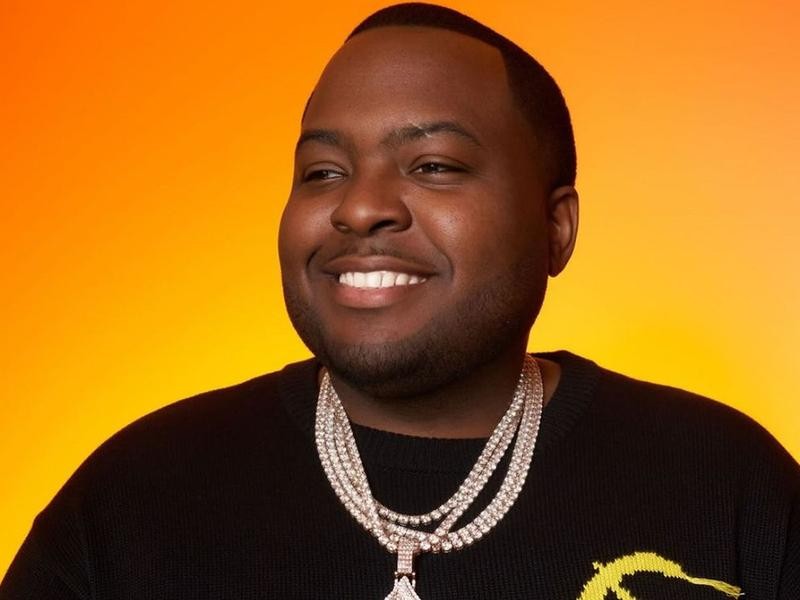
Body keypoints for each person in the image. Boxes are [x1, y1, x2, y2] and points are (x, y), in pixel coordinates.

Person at [1, 3, 797, 599]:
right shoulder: (137, 498)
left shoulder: (725, 484)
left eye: (434, 165)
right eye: (322, 172)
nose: (359, 207)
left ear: (555, 228)